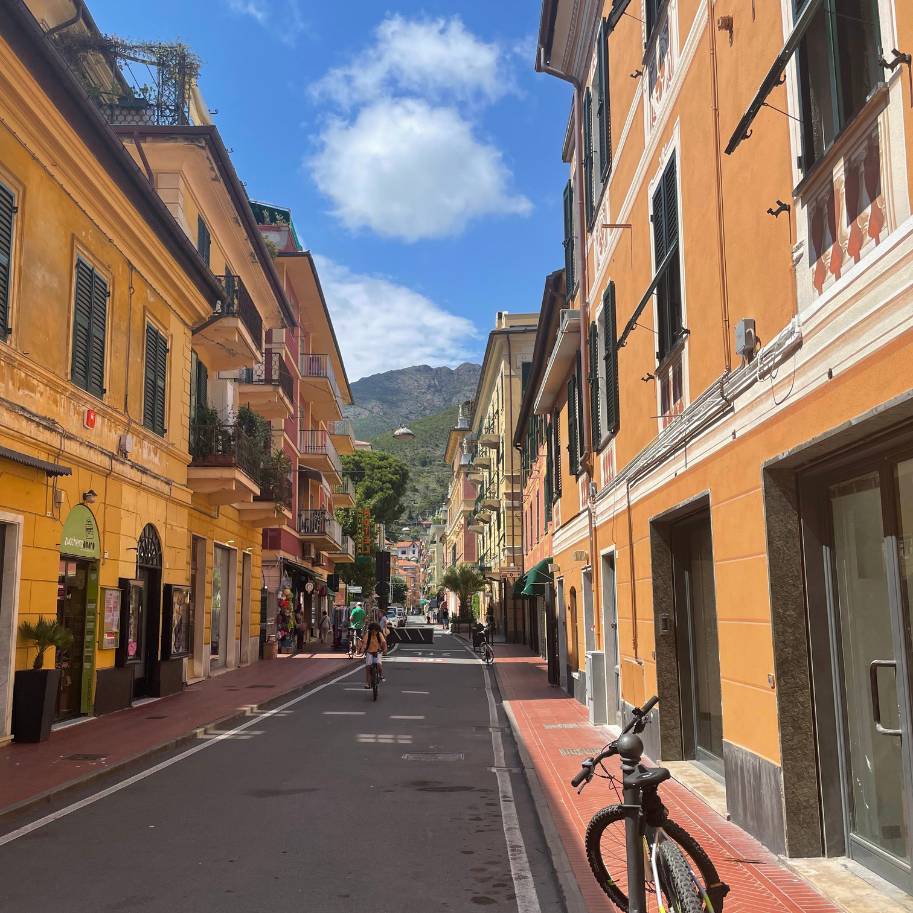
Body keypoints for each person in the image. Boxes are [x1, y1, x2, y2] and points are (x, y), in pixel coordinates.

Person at [358, 621, 387, 689]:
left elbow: (383, 642)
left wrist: (385, 650)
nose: (374, 632)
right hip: (369, 652)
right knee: (368, 667)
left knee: (379, 665)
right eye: (372, 631)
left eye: (375, 631)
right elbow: (364, 643)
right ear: (370, 630)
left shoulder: (379, 634)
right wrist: (362, 649)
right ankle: (367, 683)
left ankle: (381, 675)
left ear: (377, 630)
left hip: (378, 652)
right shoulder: (368, 635)